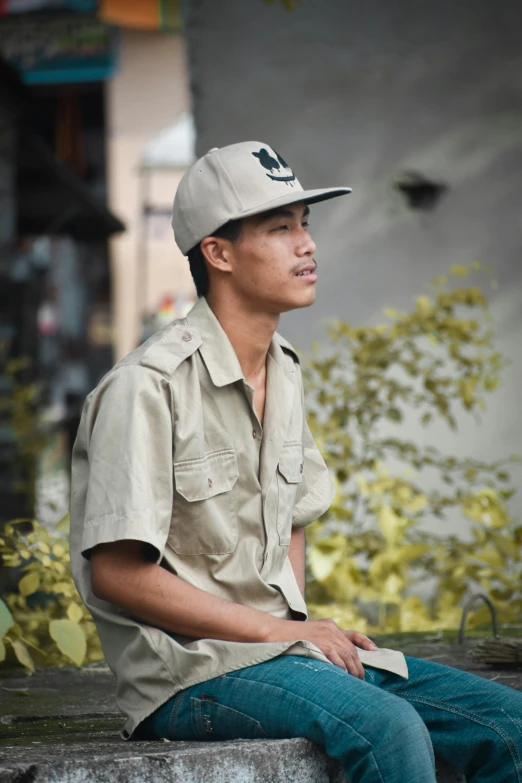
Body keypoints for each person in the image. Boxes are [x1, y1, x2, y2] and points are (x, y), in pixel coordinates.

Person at [70, 142, 522, 783]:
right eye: (280, 228)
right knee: (388, 731)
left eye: (305, 224)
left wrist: (300, 629)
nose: (306, 245)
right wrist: (275, 635)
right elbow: (118, 574)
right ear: (217, 252)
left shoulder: (281, 370)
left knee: (510, 725)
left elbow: (293, 518)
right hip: (187, 675)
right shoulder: (147, 386)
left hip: (281, 654)